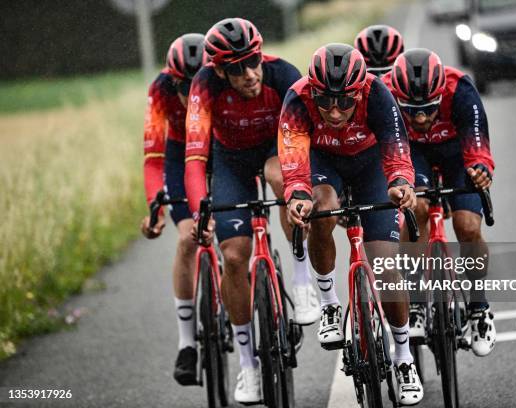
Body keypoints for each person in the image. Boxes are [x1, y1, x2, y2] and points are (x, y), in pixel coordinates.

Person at [280, 43, 424, 406]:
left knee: (386, 265)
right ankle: (328, 302)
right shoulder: (297, 98)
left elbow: (396, 148)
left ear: (359, 92)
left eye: (345, 102)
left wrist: (402, 184)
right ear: (313, 90)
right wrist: (297, 193)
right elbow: (294, 157)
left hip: (370, 164)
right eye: (325, 100)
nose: (333, 110)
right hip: (323, 163)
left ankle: (404, 356)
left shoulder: (378, 93)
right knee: (320, 208)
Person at [184, 18, 319, 404]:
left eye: (253, 60)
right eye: (237, 68)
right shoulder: (204, 85)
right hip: (231, 162)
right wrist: (200, 214)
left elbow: (302, 144)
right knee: (233, 255)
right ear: (219, 71)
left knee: (281, 177)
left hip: (278, 149)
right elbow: (195, 158)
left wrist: (301, 189)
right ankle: (248, 365)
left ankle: (300, 276)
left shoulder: (282, 74)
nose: (249, 74)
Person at [385, 48, 496, 356]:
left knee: (467, 225)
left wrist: (481, 169)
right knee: (416, 206)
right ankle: (417, 300)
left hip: (455, 156)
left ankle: (479, 306)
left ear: (440, 95)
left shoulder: (460, 88)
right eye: (412, 110)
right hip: (413, 156)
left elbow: (477, 142)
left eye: (429, 109)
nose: (420, 117)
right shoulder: (386, 95)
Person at [140, 33, 206, 385]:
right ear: (171, 79)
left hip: (221, 152)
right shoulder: (161, 90)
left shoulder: (224, 83)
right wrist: (157, 208)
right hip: (181, 156)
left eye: (196, 84)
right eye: (182, 84)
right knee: (187, 240)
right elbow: (153, 158)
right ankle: (187, 344)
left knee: (234, 235)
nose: (188, 93)